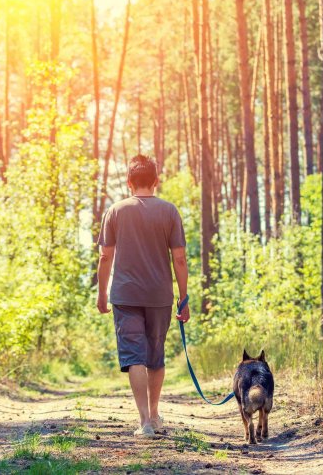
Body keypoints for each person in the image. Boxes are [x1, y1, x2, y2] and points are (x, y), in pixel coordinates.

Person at [96, 154, 190, 438]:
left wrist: (102, 293)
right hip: (160, 296)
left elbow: (105, 257)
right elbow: (180, 258)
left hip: (124, 296)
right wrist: (183, 299)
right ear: (156, 181)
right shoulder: (169, 211)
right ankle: (155, 412)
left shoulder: (115, 211)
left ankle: (144, 422)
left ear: (128, 182)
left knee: (134, 356)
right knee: (155, 355)